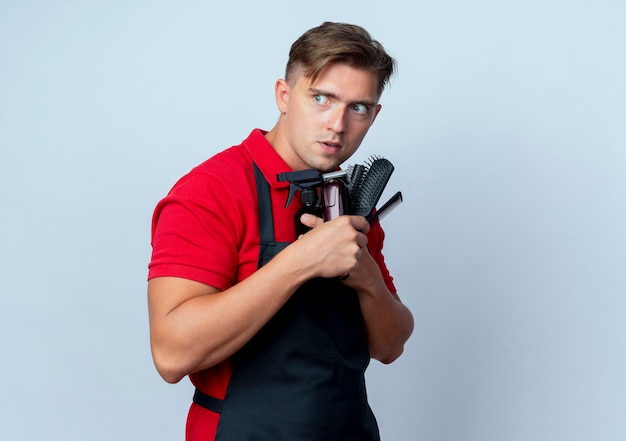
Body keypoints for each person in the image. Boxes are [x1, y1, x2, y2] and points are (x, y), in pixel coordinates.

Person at [147, 21, 414, 440]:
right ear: (284, 96)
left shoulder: (347, 199)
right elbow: (170, 353)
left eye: (357, 107)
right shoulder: (211, 190)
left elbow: (390, 347)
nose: (337, 125)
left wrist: (368, 281)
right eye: (322, 99)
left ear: (374, 115)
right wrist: (300, 261)